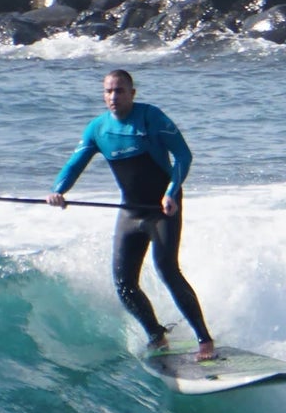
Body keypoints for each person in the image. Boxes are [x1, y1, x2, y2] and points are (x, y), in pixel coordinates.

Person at [47, 69, 217, 359]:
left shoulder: (151, 118)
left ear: (132, 93)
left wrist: (172, 192)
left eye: (120, 90)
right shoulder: (98, 129)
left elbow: (184, 156)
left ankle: (205, 341)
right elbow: (75, 164)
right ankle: (157, 335)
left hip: (163, 208)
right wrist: (58, 191)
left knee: (167, 270)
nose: (114, 97)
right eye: (108, 91)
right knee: (124, 283)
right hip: (130, 212)